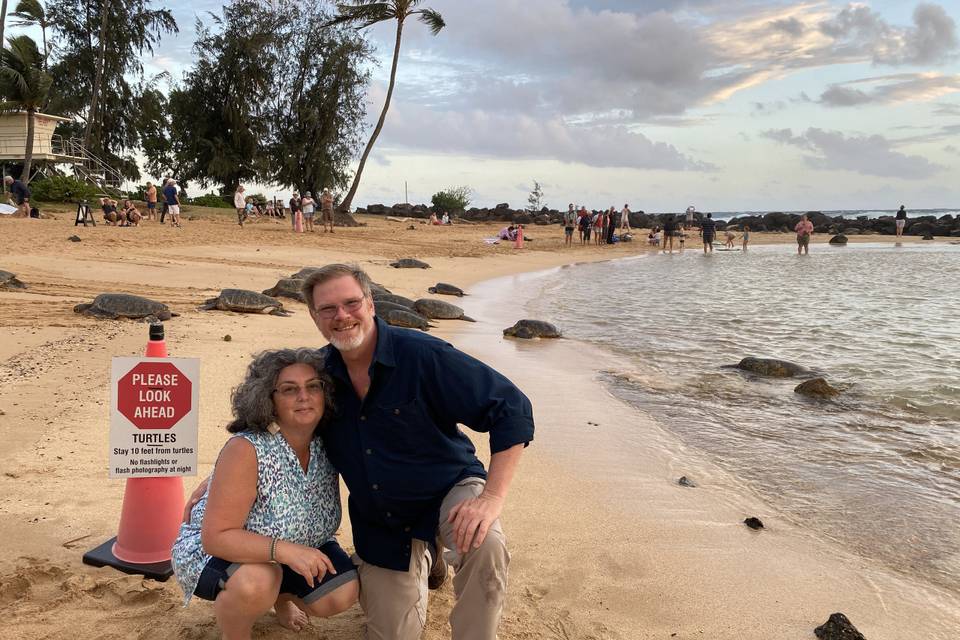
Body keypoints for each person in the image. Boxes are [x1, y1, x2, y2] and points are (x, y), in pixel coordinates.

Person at [303, 264, 532, 640]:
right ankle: (427, 559)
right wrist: (222, 477)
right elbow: (273, 428)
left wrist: (491, 498)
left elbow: (511, 408)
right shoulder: (316, 377)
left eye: (351, 303)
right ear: (314, 317)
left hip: (449, 490)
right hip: (383, 520)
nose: (342, 316)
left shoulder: (423, 355)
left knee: (485, 541)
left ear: (371, 304)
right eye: (328, 309)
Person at [173, 349, 358, 638]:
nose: (304, 396)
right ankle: (236, 633)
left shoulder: (328, 441)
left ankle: (281, 599)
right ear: (268, 399)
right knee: (257, 581)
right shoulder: (247, 449)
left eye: (313, 386)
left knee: (341, 591)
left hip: (296, 545)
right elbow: (216, 538)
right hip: (221, 550)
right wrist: (287, 551)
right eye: (288, 390)